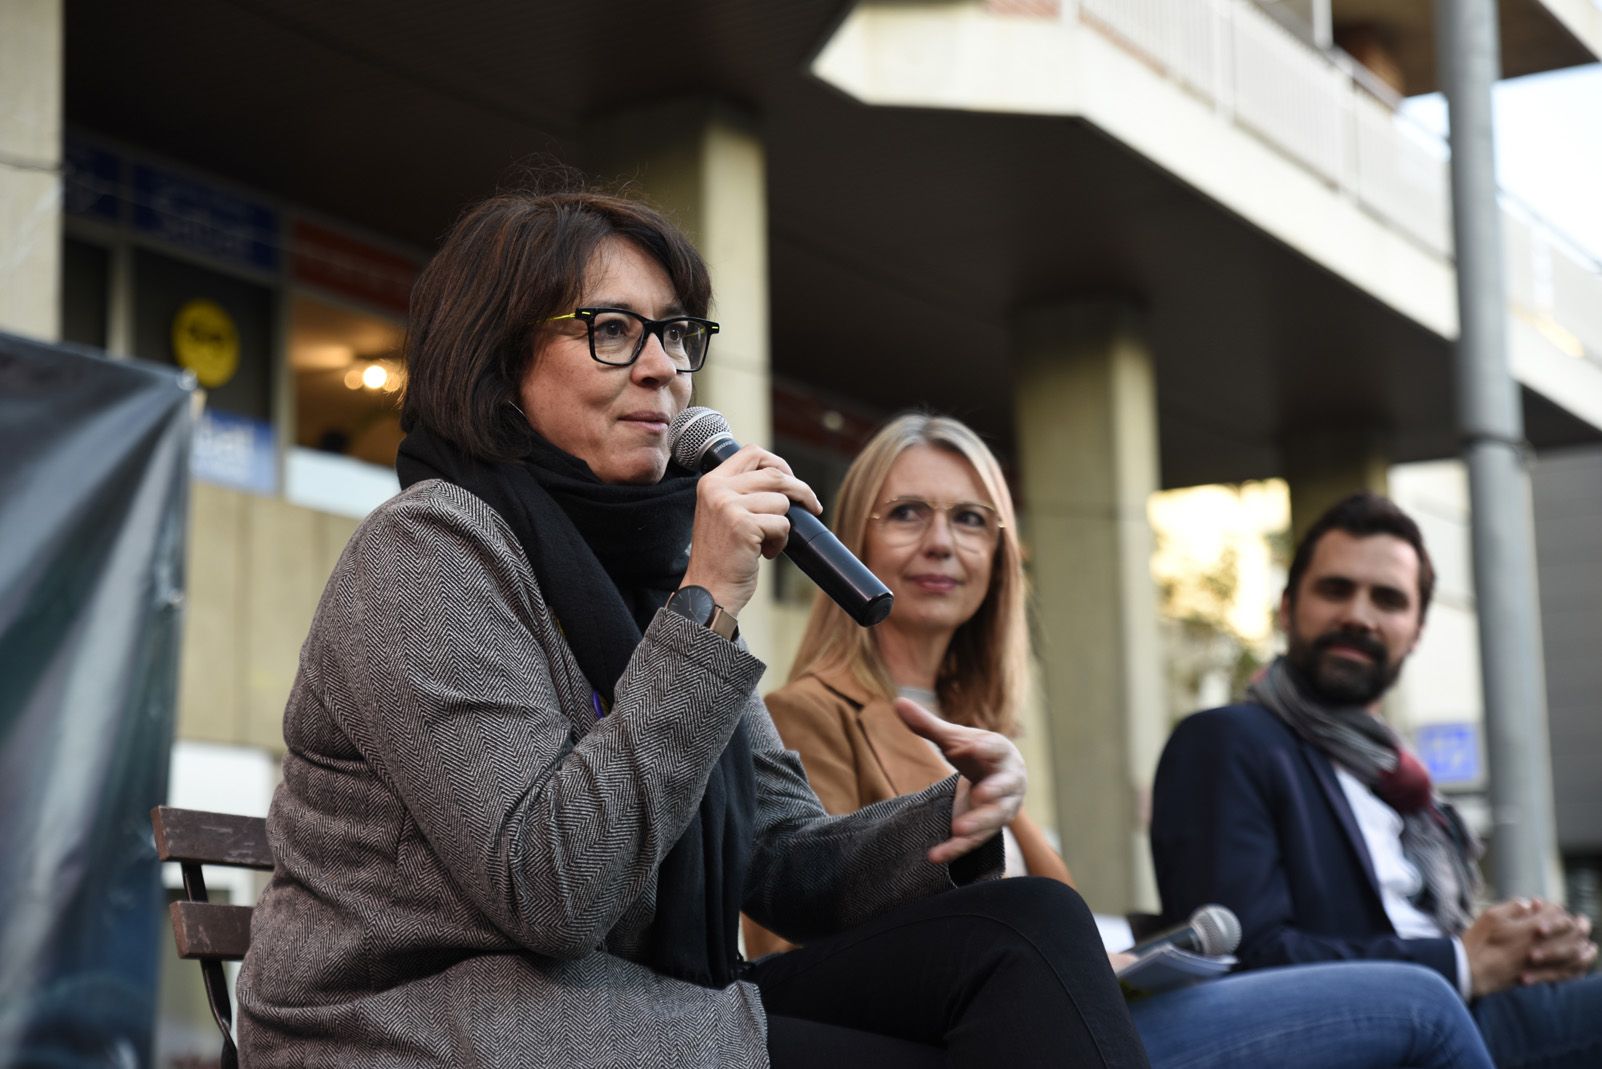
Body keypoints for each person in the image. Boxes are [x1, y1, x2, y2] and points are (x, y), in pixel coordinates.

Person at [234, 187, 1149, 1068]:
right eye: (613, 329)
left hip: (620, 1007)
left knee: (1027, 928)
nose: (664, 367)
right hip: (428, 1022)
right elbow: (550, 887)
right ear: (497, 359)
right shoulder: (426, 551)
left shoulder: (651, 570)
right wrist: (706, 601)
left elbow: (780, 855)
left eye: (675, 333)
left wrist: (949, 824)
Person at [746, 413, 1498, 1068]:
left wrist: (1129, 959)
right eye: (907, 512)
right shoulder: (802, 714)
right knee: (1421, 1006)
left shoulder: (987, 730)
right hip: (999, 1033)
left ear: (1002, 555)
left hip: (1097, 1007)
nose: (943, 542)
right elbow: (808, 963)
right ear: (849, 541)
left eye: (972, 518)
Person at [1150, 490, 1602, 1068]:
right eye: (1335, 590)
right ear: (1287, 609)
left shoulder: (1408, 785)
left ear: (1415, 631)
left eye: (1387, 599)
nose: (1358, 615)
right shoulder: (1229, 742)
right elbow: (1244, 953)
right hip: (1382, 1033)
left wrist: (1534, 949)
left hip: (1481, 1015)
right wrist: (1460, 962)